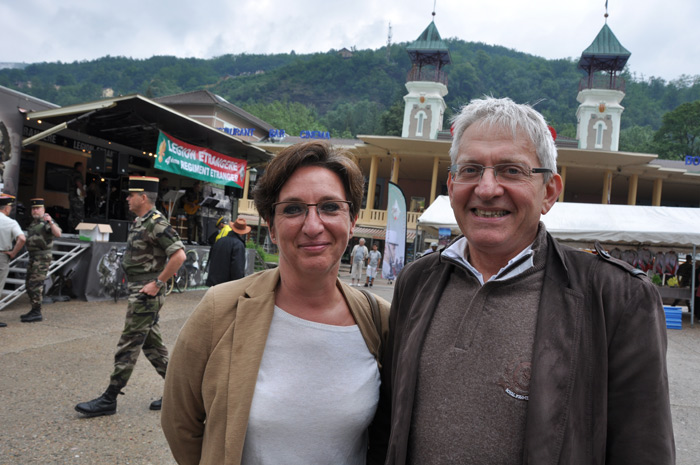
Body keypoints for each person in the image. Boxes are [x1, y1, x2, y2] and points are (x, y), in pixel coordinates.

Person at [371, 97, 675, 464]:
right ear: (451, 185)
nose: (487, 189)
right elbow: (388, 425)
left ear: (549, 191)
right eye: (470, 170)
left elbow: (643, 450)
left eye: (511, 170)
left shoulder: (617, 298)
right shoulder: (417, 281)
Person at [162, 140, 390, 465]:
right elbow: (180, 423)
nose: (313, 226)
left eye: (330, 207)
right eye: (293, 209)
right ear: (270, 226)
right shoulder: (220, 309)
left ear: (352, 221)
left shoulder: (379, 320)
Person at [75, 176, 186, 417]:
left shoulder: (156, 223)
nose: (126, 198)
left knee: (129, 343)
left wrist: (158, 283)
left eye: (131, 195)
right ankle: (182, 394)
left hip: (146, 293)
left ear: (143, 198)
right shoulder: (141, 221)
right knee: (152, 346)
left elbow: (179, 255)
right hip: (139, 289)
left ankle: (109, 398)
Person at [20, 199, 61, 323]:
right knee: (29, 284)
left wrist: (51, 222)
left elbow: (58, 234)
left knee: (35, 284)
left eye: (38, 208)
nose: (35, 211)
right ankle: (34, 309)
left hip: (42, 258)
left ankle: (36, 312)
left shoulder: (46, 222)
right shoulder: (33, 223)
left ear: (43, 210)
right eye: (33, 209)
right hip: (33, 257)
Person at [0, 194, 26, 328]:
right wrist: (13, 253)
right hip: (2, 256)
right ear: (6, 208)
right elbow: (22, 239)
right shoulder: (10, 222)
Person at [205, 216, 250, 286]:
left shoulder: (219, 241)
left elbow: (210, 260)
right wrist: (238, 285)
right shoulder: (238, 244)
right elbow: (238, 269)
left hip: (213, 284)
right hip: (227, 285)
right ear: (242, 232)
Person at [183, 180, 204, 245]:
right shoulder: (189, 192)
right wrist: (190, 203)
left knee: (200, 225)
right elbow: (184, 200)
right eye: (197, 187)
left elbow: (202, 201)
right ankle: (189, 240)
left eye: (199, 187)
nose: (198, 188)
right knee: (190, 226)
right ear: (194, 186)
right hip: (190, 210)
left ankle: (200, 240)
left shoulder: (200, 194)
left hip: (198, 211)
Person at [68, 161, 85, 230]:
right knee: (79, 214)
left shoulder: (72, 173)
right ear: (78, 167)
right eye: (81, 167)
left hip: (71, 195)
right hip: (76, 196)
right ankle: (78, 229)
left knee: (72, 213)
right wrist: (83, 191)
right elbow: (78, 182)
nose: (83, 168)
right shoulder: (77, 174)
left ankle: (70, 228)